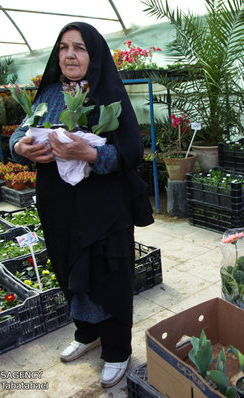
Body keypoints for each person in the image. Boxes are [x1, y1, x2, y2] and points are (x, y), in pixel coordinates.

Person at [9, 22, 153, 388]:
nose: (70, 54)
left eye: (79, 47)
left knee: (110, 273)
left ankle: (117, 350)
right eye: (63, 47)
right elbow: (21, 131)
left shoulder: (108, 95)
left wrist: (89, 153)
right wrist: (19, 148)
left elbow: (131, 152)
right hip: (59, 204)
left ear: (95, 54)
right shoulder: (48, 96)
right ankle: (87, 332)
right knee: (68, 265)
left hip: (105, 208)